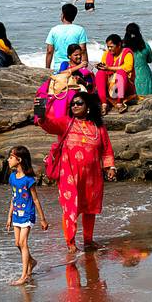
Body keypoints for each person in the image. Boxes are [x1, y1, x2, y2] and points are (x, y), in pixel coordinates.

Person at [37, 89, 116, 256]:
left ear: (87, 107)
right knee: (70, 209)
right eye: (72, 104)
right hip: (70, 175)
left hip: (93, 176)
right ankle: (71, 242)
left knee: (90, 209)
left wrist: (110, 167)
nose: (74, 106)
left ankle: (88, 240)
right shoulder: (66, 122)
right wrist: (39, 112)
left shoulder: (98, 127)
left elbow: (106, 149)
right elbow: (48, 124)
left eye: (79, 103)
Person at [4, 146, 47, 285]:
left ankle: (24, 276)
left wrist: (42, 219)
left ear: (19, 159)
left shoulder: (29, 180)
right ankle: (32, 261)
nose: (8, 160)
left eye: (11, 157)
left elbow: (35, 200)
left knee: (23, 243)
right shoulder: (12, 177)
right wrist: (9, 216)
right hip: (16, 214)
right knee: (17, 243)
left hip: (27, 214)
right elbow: (13, 197)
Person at [93, 34, 136, 113]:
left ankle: (119, 102)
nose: (109, 49)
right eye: (108, 47)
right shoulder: (106, 54)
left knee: (121, 72)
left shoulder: (127, 53)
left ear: (119, 45)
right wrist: (100, 67)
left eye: (111, 46)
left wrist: (109, 68)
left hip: (125, 85)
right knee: (100, 73)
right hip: (110, 86)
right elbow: (105, 67)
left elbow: (128, 68)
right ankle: (104, 103)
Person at [45, 3, 90, 71]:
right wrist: (84, 67)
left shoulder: (54, 30)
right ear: (74, 17)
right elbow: (83, 49)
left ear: (63, 15)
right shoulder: (80, 30)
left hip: (58, 68)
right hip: (75, 67)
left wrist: (47, 68)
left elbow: (49, 51)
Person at [123, 23, 152, 96]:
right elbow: (150, 60)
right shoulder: (145, 45)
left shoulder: (122, 46)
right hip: (144, 74)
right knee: (147, 96)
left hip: (128, 74)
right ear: (139, 33)